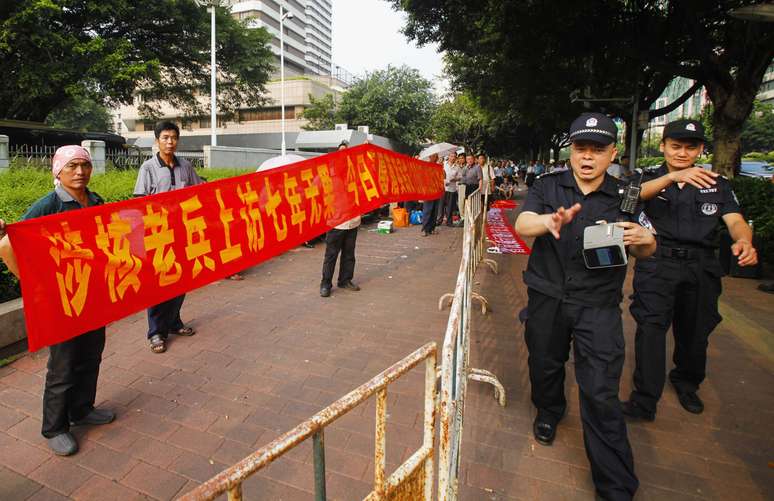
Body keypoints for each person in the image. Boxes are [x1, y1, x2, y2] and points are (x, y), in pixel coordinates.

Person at [515, 113, 656, 501]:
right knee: (544, 363)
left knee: (600, 392)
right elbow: (523, 224)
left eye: (598, 149)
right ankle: (549, 411)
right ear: (571, 152)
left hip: (598, 305)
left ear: (612, 153)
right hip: (548, 295)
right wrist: (549, 221)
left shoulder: (627, 195)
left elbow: (648, 247)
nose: (588, 157)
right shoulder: (548, 186)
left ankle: (615, 487)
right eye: (581, 149)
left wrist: (644, 238)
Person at [623, 119, 758, 421]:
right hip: (657, 263)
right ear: (663, 146)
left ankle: (686, 382)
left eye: (690, 147)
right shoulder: (647, 178)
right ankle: (645, 399)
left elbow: (735, 219)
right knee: (651, 329)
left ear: (700, 150)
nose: (683, 153)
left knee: (696, 330)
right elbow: (630, 197)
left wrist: (744, 242)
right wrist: (674, 178)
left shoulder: (716, 183)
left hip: (701, 266)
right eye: (676, 146)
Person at [0, 146, 114, 456]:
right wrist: (32, 281)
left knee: (91, 355)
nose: (80, 172)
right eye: (73, 166)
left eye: (84, 166)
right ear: (58, 171)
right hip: (61, 299)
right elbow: (8, 245)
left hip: (93, 295)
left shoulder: (96, 200)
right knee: (64, 363)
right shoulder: (47, 206)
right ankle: (54, 427)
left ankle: (82, 410)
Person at [134, 121, 204, 354]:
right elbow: (140, 201)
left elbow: (198, 191)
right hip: (158, 234)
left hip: (182, 232)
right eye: (165, 137)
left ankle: (174, 322)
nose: (169, 142)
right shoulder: (148, 168)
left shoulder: (185, 165)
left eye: (173, 137)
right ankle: (155, 332)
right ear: (157, 140)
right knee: (158, 283)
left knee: (182, 279)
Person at [320, 141, 361, 297]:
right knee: (331, 255)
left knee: (349, 254)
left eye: (347, 152)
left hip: (353, 221)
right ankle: (325, 284)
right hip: (336, 222)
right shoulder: (329, 175)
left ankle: (345, 280)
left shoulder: (355, 174)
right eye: (341, 152)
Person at [421, 153, 442, 236]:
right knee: (427, 210)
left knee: (435, 211)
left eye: (437, 156)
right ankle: (425, 229)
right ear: (430, 157)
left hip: (437, 191)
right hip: (428, 191)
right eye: (434, 156)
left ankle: (432, 228)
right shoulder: (426, 166)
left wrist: (441, 168)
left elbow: (443, 176)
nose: (436, 158)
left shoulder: (438, 166)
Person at [441, 151, 462, 226]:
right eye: (451, 156)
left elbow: (460, 177)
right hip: (443, 188)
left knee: (450, 206)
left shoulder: (457, 167)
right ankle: (439, 220)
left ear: (456, 157)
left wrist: (455, 179)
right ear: (448, 156)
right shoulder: (443, 164)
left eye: (454, 156)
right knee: (441, 206)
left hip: (452, 188)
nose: (452, 158)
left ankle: (449, 221)